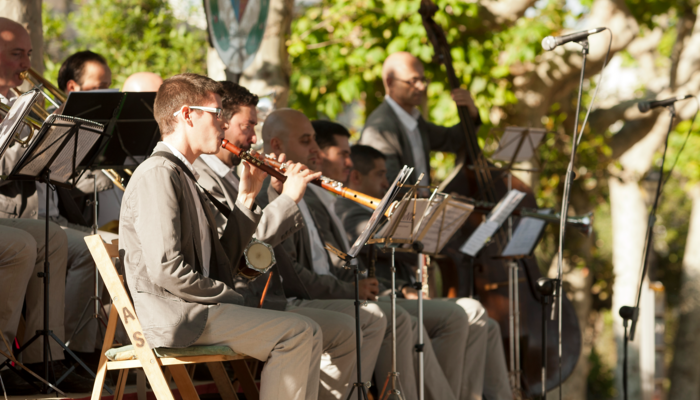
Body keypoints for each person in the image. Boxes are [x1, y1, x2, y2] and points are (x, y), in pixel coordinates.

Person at [119, 73, 322, 400]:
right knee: (296, 332)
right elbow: (165, 269)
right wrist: (230, 295)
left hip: (194, 309)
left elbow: (221, 261)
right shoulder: (159, 173)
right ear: (187, 114)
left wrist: (246, 198)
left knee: (309, 330)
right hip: (178, 316)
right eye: (216, 115)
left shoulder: (182, 173)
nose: (223, 126)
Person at [194, 81, 386, 400]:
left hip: (266, 297)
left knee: (361, 322)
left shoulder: (235, 173)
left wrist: (278, 194)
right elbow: (247, 254)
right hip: (240, 301)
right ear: (222, 124)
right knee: (313, 329)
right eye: (247, 126)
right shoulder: (204, 178)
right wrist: (285, 199)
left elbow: (261, 247)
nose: (253, 139)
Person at [262, 108, 462, 400]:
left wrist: (383, 286)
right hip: (300, 300)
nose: (316, 151)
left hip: (330, 293)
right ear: (277, 145)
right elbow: (294, 274)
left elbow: (330, 261)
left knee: (427, 316)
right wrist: (351, 288)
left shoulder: (315, 195)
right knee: (387, 319)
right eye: (307, 142)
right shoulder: (276, 193)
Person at [337, 143, 513, 400]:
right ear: (356, 177)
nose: (387, 183)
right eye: (380, 175)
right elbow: (380, 244)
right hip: (384, 296)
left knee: (487, 325)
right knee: (468, 312)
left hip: (401, 294)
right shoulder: (348, 210)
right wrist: (424, 227)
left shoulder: (376, 209)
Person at [0, 17, 89, 394]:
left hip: (33, 216)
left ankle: (47, 356)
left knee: (53, 240)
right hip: (8, 216)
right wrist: (31, 147)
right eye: (17, 53)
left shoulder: (13, 100)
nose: (26, 63)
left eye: (29, 54)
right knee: (26, 244)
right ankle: (4, 359)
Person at [358, 51, 477, 184]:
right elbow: (391, 186)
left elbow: (451, 139)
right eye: (413, 81)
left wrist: (472, 114)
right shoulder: (380, 128)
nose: (421, 87)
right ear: (390, 82)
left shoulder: (413, 118)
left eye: (422, 80)